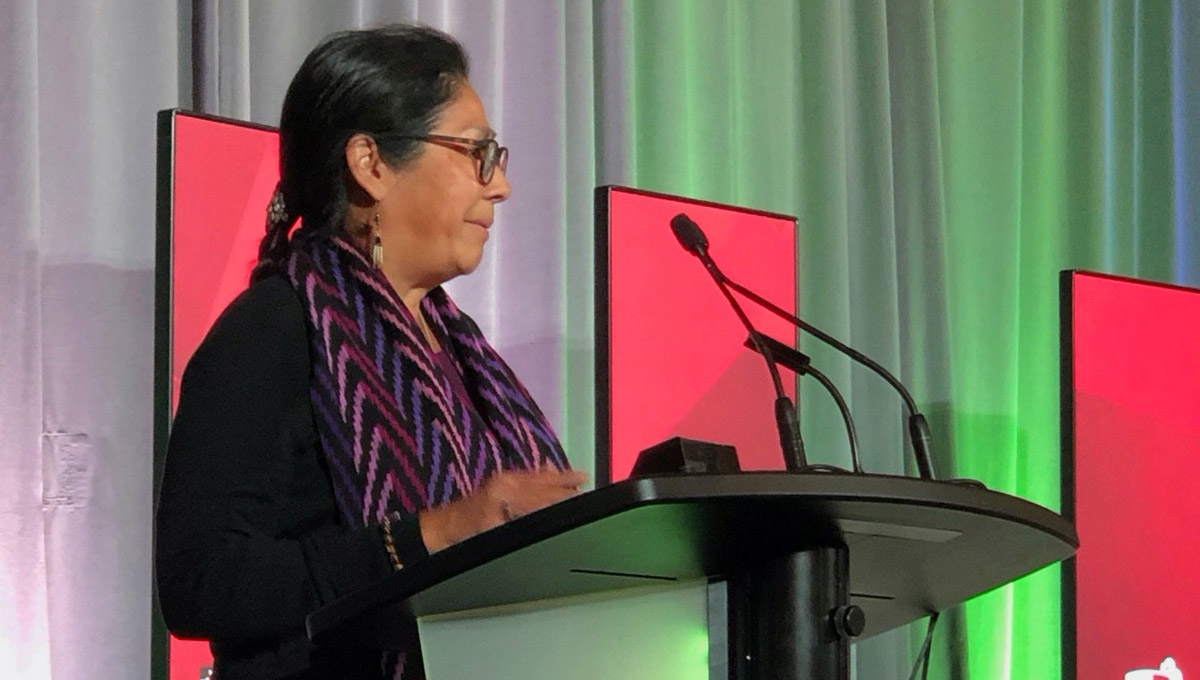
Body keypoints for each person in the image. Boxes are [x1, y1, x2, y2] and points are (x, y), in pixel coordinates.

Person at [155, 24, 586, 680]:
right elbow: (200, 582)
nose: (500, 188)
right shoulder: (272, 331)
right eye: (477, 153)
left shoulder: (461, 353)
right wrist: (434, 534)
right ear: (371, 164)